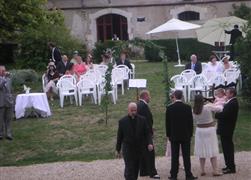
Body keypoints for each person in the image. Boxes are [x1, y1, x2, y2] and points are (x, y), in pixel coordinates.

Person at [116, 102, 153, 180]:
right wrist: (118, 149)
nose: (133, 112)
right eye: (132, 110)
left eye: (135, 110)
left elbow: (147, 133)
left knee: (136, 168)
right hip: (128, 149)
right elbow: (119, 137)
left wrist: (149, 143)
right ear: (128, 110)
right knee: (129, 168)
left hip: (138, 149)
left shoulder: (142, 120)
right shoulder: (122, 121)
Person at [165, 90, 197, 180]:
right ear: (181, 96)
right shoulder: (187, 107)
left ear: (174, 96)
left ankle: (174, 175)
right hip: (185, 135)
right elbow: (190, 122)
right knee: (186, 156)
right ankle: (188, 175)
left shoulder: (169, 108)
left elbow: (167, 123)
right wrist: (190, 133)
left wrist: (168, 135)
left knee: (174, 157)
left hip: (174, 135)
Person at [193, 94, 223, 177]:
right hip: (210, 129)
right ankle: (215, 170)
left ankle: (202, 170)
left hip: (200, 130)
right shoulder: (208, 106)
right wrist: (217, 102)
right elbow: (220, 109)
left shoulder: (194, 110)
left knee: (201, 150)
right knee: (212, 149)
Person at [215, 87, 239, 174]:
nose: (226, 94)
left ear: (232, 94)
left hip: (227, 129)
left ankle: (231, 167)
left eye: (227, 93)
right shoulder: (230, 102)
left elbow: (225, 115)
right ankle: (228, 165)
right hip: (225, 129)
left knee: (228, 148)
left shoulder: (233, 103)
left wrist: (216, 114)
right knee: (226, 148)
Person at [137, 90, 160, 179]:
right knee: (150, 153)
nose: (150, 98)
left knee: (143, 153)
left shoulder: (139, 105)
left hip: (141, 133)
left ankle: (143, 171)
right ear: (145, 96)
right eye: (149, 96)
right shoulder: (143, 106)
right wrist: (150, 130)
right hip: (145, 133)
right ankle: (152, 172)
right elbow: (146, 120)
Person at [0, 65, 14, 140]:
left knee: (8, 119)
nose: (4, 72)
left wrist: (12, 99)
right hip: (1, 102)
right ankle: (0, 134)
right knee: (0, 119)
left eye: (4, 70)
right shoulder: (4, 79)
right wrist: (4, 78)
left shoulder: (8, 79)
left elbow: (10, 90)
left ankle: (9, 134)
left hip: (9, 102)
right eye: (2, 71)